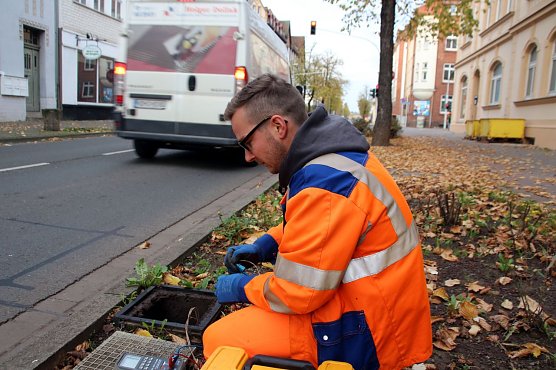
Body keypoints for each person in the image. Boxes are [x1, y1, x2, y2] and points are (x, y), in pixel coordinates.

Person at [203, 74, 432, 370]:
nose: (248, 156)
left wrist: (243, 287)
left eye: (248, 142)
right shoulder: (332, 160)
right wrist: (267, 243)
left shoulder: (326, 184)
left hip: (368, 329)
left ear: (277, 126)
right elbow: (321, 228)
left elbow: (299, 292)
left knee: (219, 339)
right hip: (378, 306)